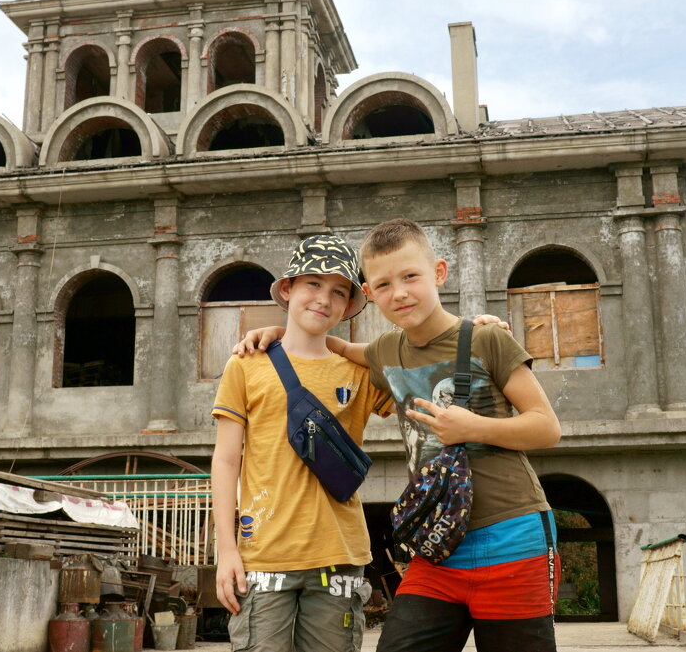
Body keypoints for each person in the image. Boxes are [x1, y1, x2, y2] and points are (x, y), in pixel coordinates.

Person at [236, 219, 562, 652]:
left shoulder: (487, 339)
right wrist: (277, 333)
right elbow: (333, 346)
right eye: (384, 284)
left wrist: (472, 427)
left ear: (439, 273)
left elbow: (547, 427)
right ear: (369, 294)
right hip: (437, 543)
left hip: (513, 536)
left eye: (411, 277)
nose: (401, 293)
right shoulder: (386, 352)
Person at [211, 234, 393, 652]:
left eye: (338, 291)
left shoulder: (357, 371)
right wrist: (226, 550)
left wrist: (474, 334)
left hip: (339, 554)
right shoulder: (246, 364)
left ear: (349, 306)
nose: (323, 299)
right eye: (313, 283)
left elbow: (415, 364)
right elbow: (225, 461)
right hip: (263, 557)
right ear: (288, 288)